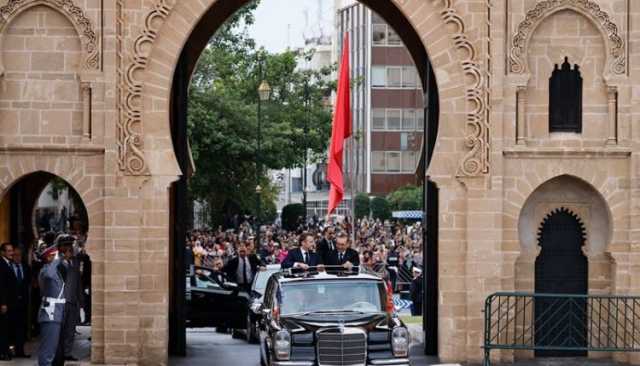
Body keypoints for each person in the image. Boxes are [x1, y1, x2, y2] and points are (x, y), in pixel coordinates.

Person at [37, 236, 68, 366]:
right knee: (48, 350)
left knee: (53, 349)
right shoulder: (46, 271)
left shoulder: (54, 272)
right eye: (55, 256)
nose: (58, 258)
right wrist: (54, 261)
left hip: (56, 314)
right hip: (50, 314)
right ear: (49, 257)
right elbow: (49, 274)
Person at [59, 236, 82, 362]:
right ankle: (59, 352)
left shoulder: (75, 262)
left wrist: (80, 299)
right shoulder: (58, 263)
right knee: (61, 329)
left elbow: (78, 282)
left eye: (71, 247)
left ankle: (67, 352)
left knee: (70, 328)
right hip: (62, 301)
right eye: (67, 247)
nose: (69, 249)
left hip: (73, 300)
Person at [11, 246, 31, 358]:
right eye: (15, 255)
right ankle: (10, 349)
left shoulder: (26, 267)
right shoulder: (8, 267)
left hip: (23, 302)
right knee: (11, 327)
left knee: (21, 327)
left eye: (19, 255)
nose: (17, 257)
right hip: (11, 302)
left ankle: (20, 351)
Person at [0, 243, 17, 361]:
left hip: (11, 302)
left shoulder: (9, 263)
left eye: (12, 251)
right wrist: (3, 303)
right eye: (9, 251)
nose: (12, 253)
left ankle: (6, 350)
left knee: (8, 328)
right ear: (3, 252)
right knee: (3, 328)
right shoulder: (1, 265)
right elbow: (1, 286)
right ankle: (2, 352)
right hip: (4, 303)